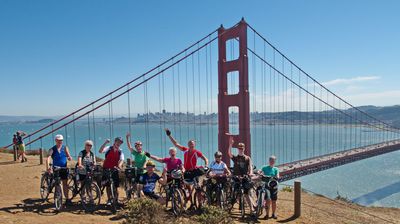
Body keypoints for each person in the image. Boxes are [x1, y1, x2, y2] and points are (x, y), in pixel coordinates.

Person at [166, 128, 208, 207]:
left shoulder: (197, 152)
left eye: (192, 144)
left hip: (194, 171)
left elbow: (205, 158)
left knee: (197, 188)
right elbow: (176, 144)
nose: (191, 146)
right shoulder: (185, 150)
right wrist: (169, 135)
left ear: (194, 145)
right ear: (188, 145)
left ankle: (200, 204)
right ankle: (190, 203)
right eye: (190, 144)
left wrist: (206, 165)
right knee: (186, 188)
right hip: (186, 172)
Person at [227, 135, 256, 217]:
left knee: (247, 194)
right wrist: (230, 144)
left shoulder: (247, 158)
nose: (240, 149)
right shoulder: (235, 157)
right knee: (234, 192)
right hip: (236, 177)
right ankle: (230, 206)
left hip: (244, 177)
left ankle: (251, 210)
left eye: (242, 148)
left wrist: (250, 172)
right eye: (239, 148)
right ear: (238, 149)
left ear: (244, 149)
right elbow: (229, 153)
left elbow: (250, 166)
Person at [46, 134, 73, 205]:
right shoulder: (52, 149)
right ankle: (57, 197)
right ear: (55, 140)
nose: (60, 141)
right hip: (56, 168)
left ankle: (67, 199)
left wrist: (70, 157)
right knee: (57, 183)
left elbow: (68, 155)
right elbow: (48, 158)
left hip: (64, 168)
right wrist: (48, 167)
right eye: (58, 140)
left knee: (65, 184)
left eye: (61, 140)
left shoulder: (65, 148)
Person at [99, 137, 125, 206]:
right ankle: (109, 199)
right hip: (106, 168)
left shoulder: (120, 151)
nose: (119, 143)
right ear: (115, 141)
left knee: (116, 186)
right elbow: (100, 151)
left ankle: (116, 199)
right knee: (108, 185)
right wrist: (105, 142)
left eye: (120, 142)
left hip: (114, 169)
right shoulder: (108, 148)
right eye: (118, 142)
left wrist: (119, 165)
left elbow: (122, 159)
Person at [260, 155, 280, 219]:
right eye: (271, 160)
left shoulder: (276, 169)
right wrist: (259, 173)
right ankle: (267, 214)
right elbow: (260, 171)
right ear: (269, 161)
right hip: (267, 186)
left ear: (275, 161)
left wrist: (276, 177)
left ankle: (273, 214)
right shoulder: (264, 167)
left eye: (273, 160)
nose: (272, 161)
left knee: (274, 201)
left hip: (274, 186)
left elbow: (278, 176)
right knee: (268, 200)